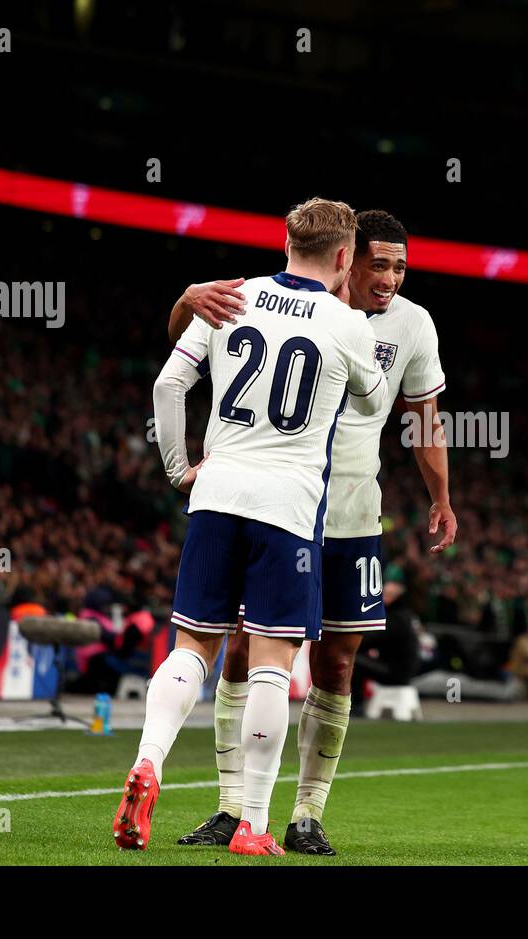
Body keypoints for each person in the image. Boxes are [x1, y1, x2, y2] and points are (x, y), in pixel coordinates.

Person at [171, 210, 457, 856]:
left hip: (355, 514)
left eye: (399, 266)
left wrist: (441, 496)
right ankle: (232, 807)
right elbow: (183, 350)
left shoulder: (414, 325)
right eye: (377, 263)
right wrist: (187, 299)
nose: (389, 278)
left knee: (337, 659)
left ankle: (306, 812)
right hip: (280, 508)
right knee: (245, 649)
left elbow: (424, 419)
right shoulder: (285, 305)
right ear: (346, 259)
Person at [112, 198, 388, 855]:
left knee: (193, 648)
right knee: (271, 663)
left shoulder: (228, 296)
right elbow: (376, 399)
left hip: (217, 492)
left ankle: (148, 760)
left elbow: (167, 384)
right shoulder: (344, 323)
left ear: (286, 241)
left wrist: (181, 469)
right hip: (287, 508)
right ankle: (256, 828)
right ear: (346, 257)